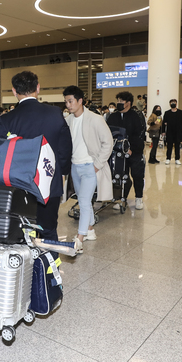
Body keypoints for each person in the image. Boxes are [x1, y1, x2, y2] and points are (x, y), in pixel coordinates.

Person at [0, 71, 72, 240]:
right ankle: (50, 266)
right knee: (49, 229)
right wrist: (63, 172)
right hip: (49, 182)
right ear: (38, 88)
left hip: (18, 185)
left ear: (14, 91)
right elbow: (65, 147)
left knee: (21, 230)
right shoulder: (55, 113)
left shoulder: (7, 119)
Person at [63, 86, 113, 254]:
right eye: (66, 102)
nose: (68, 105)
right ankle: (90, 230)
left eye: (70, 101)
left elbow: (108, 142)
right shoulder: (69, 120)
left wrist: (97, 165)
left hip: (90, 167)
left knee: (84, 202)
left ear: (80, 101)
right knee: (83, 200)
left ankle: (80, 238)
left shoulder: (95, 119)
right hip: (75, 166)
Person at [107, 91, 147, 210]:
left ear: (128, 103)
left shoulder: (136, 116)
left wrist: (130, 149)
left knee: (137, 175)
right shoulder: (113, 116)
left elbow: (139, 135)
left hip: (134, 152)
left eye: (121, 101)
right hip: (118, 153)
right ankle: (121, 199)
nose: (118, 103)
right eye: (118, 101)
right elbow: (109, 133)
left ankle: (138, 197)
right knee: (120, 176)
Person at [161, 98, 182, 165]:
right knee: (169, 146)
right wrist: (163, 131)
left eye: (174, 103)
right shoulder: (167, 113)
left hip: (178, 131)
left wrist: (181, 128)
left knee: (177, 146)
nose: (173, 104)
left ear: (176, 104)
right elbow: (163, 122)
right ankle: (168, 158)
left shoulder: (180, 112)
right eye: (171, 103)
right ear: (170, 104)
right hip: (170, 131)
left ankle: (177, 159)